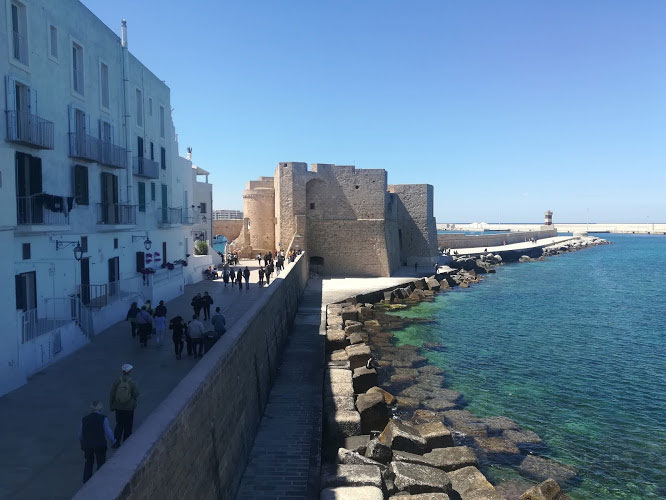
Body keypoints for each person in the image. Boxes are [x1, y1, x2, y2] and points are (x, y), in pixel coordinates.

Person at [79, 400, 115, 483]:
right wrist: (113, 441)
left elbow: (80, 434)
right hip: (100, 445)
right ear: (100, 408)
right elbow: (108, 432)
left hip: (87, 445)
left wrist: (82, 443)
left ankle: (86, 481)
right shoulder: (103, 418)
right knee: (101, 463)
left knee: (88, 462)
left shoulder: (84, 419)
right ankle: (99, 481)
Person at [109, 364, 139, 448]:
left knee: (119, 425)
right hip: (129, 408)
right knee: (128, 426)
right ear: (129, 372)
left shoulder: (116, 381)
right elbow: (136, 394)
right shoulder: (132, 382)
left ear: (122, 371)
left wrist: (111, 406)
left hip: (118, 407)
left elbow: (111, 394)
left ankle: (116, 442)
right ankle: (126, 444)